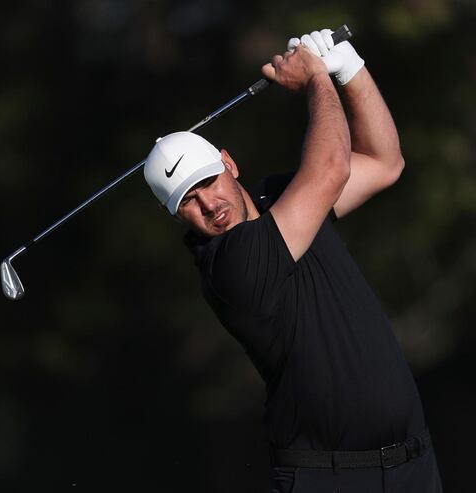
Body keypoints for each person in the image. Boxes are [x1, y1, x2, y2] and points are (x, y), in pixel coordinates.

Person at [144, 28, 442, 493]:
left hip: (412, 466)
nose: (209, 204)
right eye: (188, 200)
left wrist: (349, 68)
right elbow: (331, 169)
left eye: (209, 180)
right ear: (174, 216)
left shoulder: (284, 198)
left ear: (229, 163)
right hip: (327, 478)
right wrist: (316, 80)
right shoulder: (228, 265)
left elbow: (385, 162)